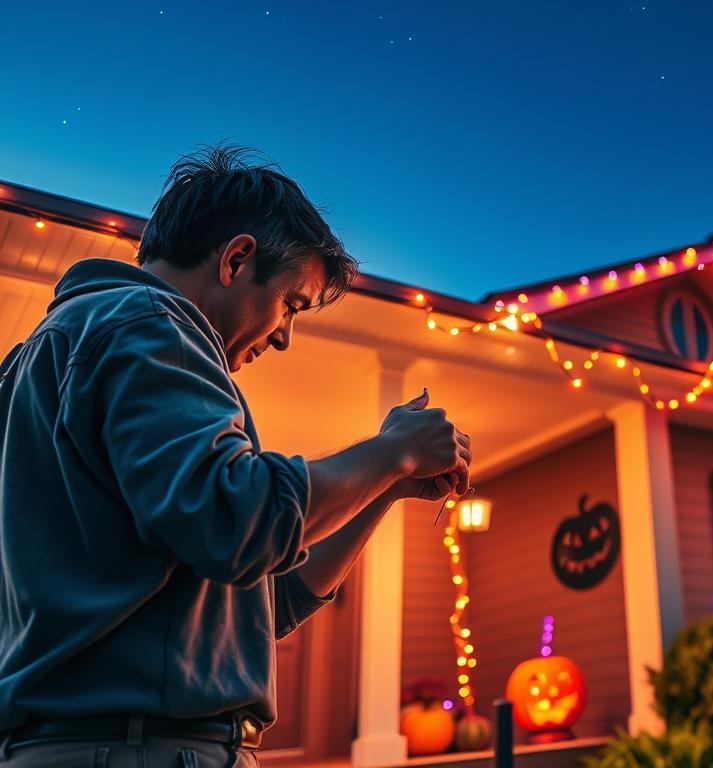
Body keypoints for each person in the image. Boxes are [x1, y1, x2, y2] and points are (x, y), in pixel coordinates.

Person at [0, 145, 471, 767]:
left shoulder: (47, 357)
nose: (283, 336)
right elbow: (238, 519)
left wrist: (386, 482)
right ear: (237, 258)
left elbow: (266, 601)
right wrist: (389, 452)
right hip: (142, 749)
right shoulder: (147, 323)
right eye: (291, 304)